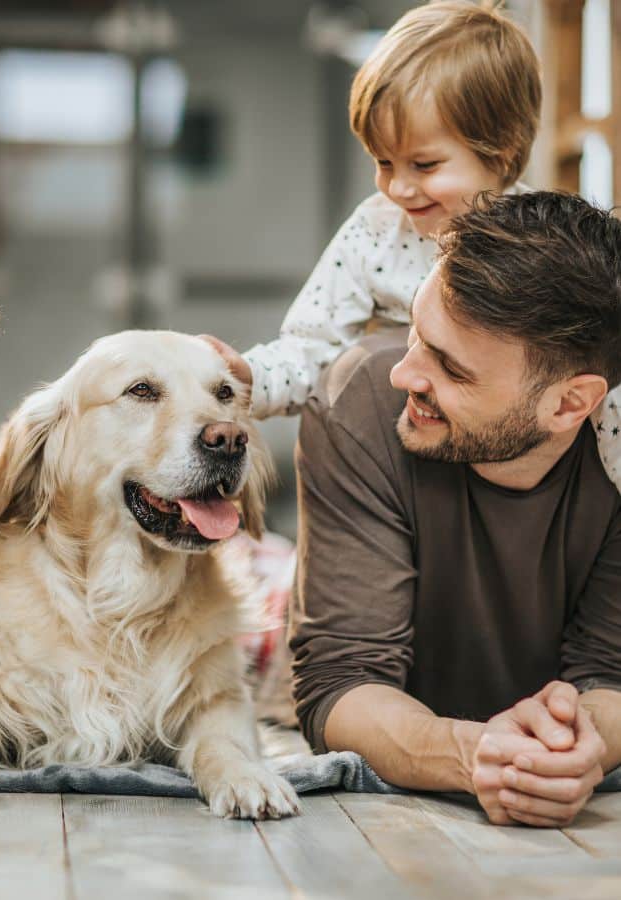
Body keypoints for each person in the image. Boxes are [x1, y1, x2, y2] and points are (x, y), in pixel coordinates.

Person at [290, 190, 621, 827]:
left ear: (570, 405)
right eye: (417, 334)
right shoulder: (358, 404)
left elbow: (610, 674)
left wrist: (584, 745)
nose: (404, 375)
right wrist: (478, 755)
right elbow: (339, 682)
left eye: (449, 367)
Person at [211, 0, 621, 493]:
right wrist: (248, 377)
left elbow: (596, 372)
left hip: (513, 468)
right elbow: (312, 347)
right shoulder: (375, 232)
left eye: (424, 166)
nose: (398, 188)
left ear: (503, 150)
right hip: (402, 470)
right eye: (383, 162)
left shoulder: (541, 243)